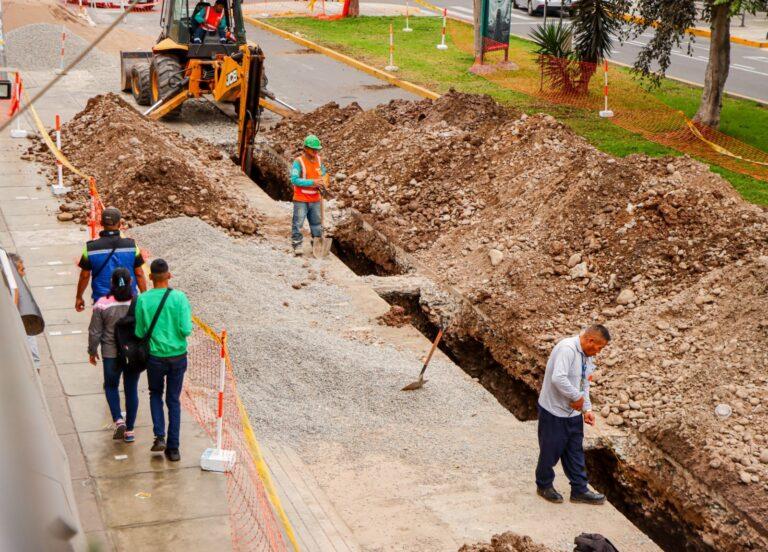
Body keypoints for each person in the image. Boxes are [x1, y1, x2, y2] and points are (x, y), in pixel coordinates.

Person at [535, 324, 611, 506]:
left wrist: (587, 409)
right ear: (590, 340)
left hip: (573, 414)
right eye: (598, 347)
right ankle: (544, 485)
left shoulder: (587, 356)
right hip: (554, 412)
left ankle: (579, 489)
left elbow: (585, 383)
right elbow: (558, 377)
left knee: (575, 452)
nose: (598, 352)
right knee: (550, 451)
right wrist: (576, 397)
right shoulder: (567, 349)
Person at [135, 259, 192, 462]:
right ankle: (174, 448)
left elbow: (140, 331)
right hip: (177, 356)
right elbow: (186, 329)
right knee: (173, 400)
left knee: (155, 394)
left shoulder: (143, 300)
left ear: (150, 277)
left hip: (155, 358)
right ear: (169, 275)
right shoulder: (179, 298)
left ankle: (159, 436)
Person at [88, 268, 138, 443]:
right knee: (131, 390)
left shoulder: (102, 304)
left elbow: (95, 332)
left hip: (110, 353)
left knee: (111, 386)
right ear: (130, 282)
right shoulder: (137, 302)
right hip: (132, 354)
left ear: (111, 283)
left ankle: (118, 420)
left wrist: (92, 351)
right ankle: (130, 430)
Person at [75, 207, 147, 312]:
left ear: (101, 223)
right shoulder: (132, 246)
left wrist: (79, 297)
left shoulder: (90, 248)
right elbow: (139, 274)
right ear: (119, 224)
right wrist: (144, 298)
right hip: (128, 300)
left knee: (102, 328)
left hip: (102, 301)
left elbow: (84, 276)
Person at [290, 134, 328, 256]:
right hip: (301, 199)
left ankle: (317, 244)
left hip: (315, 198)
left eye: (317, 149)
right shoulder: (298, 162)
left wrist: (324, 183)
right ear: (305, 148)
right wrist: (313, 182)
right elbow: (294, 180)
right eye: (313, 149)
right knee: (298, 222)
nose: (315, 151)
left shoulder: (318, 160)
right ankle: (297, 244)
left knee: (316, 223)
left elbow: (324, 173)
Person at [5, 253, 41, 368]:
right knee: (34, 361)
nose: (24, 273)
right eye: (21, 270)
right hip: (22, 327)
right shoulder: (13, 289)